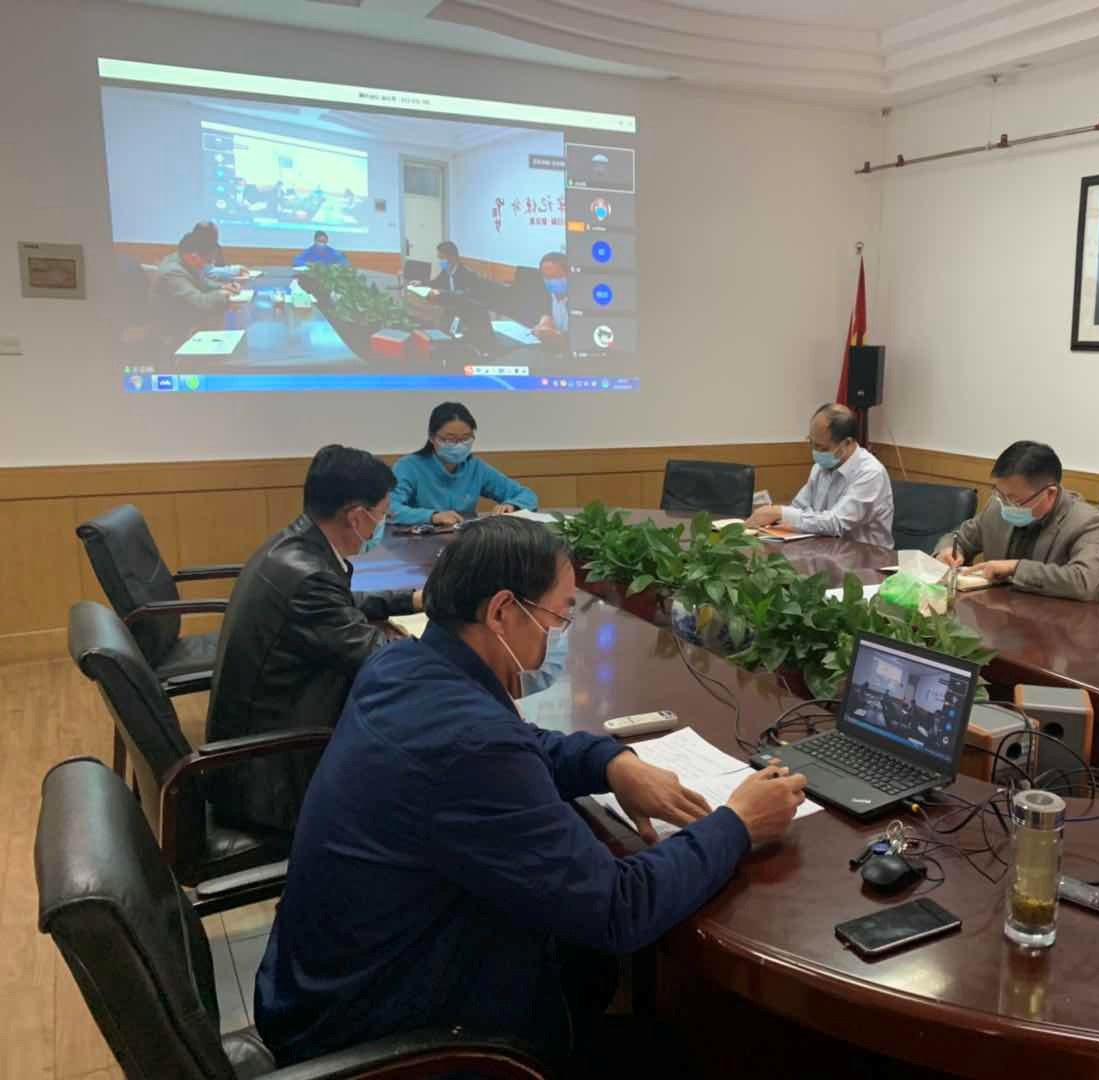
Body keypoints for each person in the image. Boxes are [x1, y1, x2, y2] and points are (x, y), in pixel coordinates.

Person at [253, 517, 808, 1071]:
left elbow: (521, 744)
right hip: (387, 1030)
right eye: (557, 616)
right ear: (501, 611)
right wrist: (738, 823)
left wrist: (611, 763)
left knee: (590, 965)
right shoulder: (471, 743)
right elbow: (619, 908)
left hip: (323, 983)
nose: (558, 634)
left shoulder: (402, 664)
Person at [205, 445, 422, 834]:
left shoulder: (293, 547)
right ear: (356, 516)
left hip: (258, 747)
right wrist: (454, 645)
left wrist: (413, 600)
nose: (382, 524)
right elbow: (381, 660)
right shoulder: (310, 578)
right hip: (271, 782)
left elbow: (340, 606)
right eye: (382, 515)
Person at [934, 440, 1099, 602]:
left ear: (1050, 493)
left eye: (1015, 500)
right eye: (1000, 494)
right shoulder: (997, 507)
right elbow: (959, 538)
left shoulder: (1090, 523)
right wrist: (948, 550)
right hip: (998, 617)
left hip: (1055, 622)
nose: (1005, 504)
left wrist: (1016, 568)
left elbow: (1085, 582)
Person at [748, 403, 894, 549]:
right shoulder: (821, 466)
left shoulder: (871, 473)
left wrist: (780, 512)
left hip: (866, 557)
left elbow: (836, 523)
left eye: (821, 447)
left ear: (847, 443)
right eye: (811, 442)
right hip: (825, 551)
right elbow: (799, 507)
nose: (815, 451)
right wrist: (772, 517)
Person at [391, 402, 539, 526]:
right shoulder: (408, 467)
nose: (458, 445)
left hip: (464, 542)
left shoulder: (476, 467)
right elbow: (390, 508)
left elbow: (527, 495)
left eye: (465, 438)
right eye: (450, 439)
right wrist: (432, 516)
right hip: (417, 542)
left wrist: (512, 505)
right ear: (432, 437)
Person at [151, 227, 239, 326]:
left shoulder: (184, 259)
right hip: (173, 328)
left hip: (186, 319)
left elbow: (202, 282)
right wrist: (223, 294)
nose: (208, 265)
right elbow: (200, 303)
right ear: (194, 257)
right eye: (208, 261)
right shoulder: (173, 272)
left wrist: (223, 286)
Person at [531, 251, 570, 340]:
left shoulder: (581, 301)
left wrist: (557, 335)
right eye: (546, 277)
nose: (551, 281)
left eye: (555, 276)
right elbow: (545, 316)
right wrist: (542, 326)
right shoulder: (547, 297)